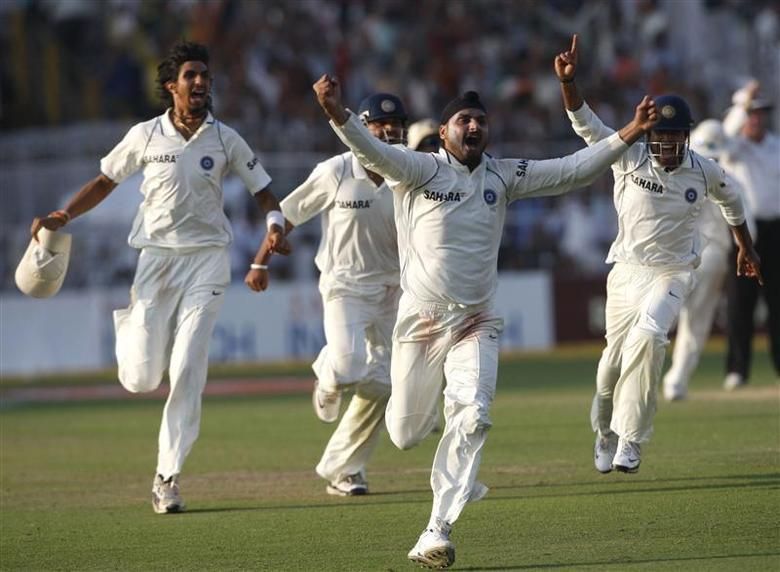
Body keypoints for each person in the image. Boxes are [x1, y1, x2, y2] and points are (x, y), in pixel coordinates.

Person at [313, 69, 658, 569]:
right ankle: (442, 452)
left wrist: (628, 132)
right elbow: (371, 152)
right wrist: (335, 112)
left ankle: (437, 528)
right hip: (422, 321)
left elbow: (573, 169)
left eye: (479, 120)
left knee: (474, 415)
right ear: (446, 130)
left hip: (478, 320)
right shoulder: (418, 169)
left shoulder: (504, 174)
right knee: (405, 434)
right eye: (463, 120)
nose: (473, 127)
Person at [30, 41, 290, 514]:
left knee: (189, 366)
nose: (200, 83)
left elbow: (266, 191)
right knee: (140, 377)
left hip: (208, 260)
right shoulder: (145, 135)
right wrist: (64, 215)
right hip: (155, 260)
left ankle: (167, 477)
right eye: (190, 75)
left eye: (205, 76)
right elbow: (106, 181)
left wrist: (273, 228)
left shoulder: (226, 138)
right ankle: (131, 325)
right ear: (172, 86)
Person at [554, 35, 761, 476]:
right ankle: (605, 431)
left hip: (673, 271)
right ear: (649, 134)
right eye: (660, 134)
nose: (667, 143)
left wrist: (744, 245)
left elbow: (734, 200)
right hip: (626, 271)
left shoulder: (703, 170)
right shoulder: (626, 156)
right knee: (610, 366)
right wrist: (569, 83)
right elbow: (583, 122)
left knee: (650, 337)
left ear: (686, 136)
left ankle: (632, 437)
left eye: (674, 135)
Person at [258, 93, 406, 496]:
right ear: (360, 126)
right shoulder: (336, 170)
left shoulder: (408, 170)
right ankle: (328, 372)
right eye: (379, 125)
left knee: (384, 384)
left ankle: (344, 469)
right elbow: (287, 214)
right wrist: (260, 261)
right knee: (348, 366)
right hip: (345, 286)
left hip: (395, 289)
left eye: (395, 126)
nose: (389, 131)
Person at [662, 120, 736, 401]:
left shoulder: (677, 174)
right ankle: (676, 381)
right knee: (696, 322)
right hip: (714, 256)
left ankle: (644, 374)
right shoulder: (728, 177)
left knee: (661, 314)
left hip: (678, 253)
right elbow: (748, 226)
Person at [721, 81, 780, 390]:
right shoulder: (733, 147)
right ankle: (737, 370)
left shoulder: (776, 146)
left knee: (777, 305)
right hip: (744, 233)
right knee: (740, 306)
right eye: (751, 114)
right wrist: (743, 103)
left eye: (760, 114)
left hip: (776, 231)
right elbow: (723, 135)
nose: (756, 119)